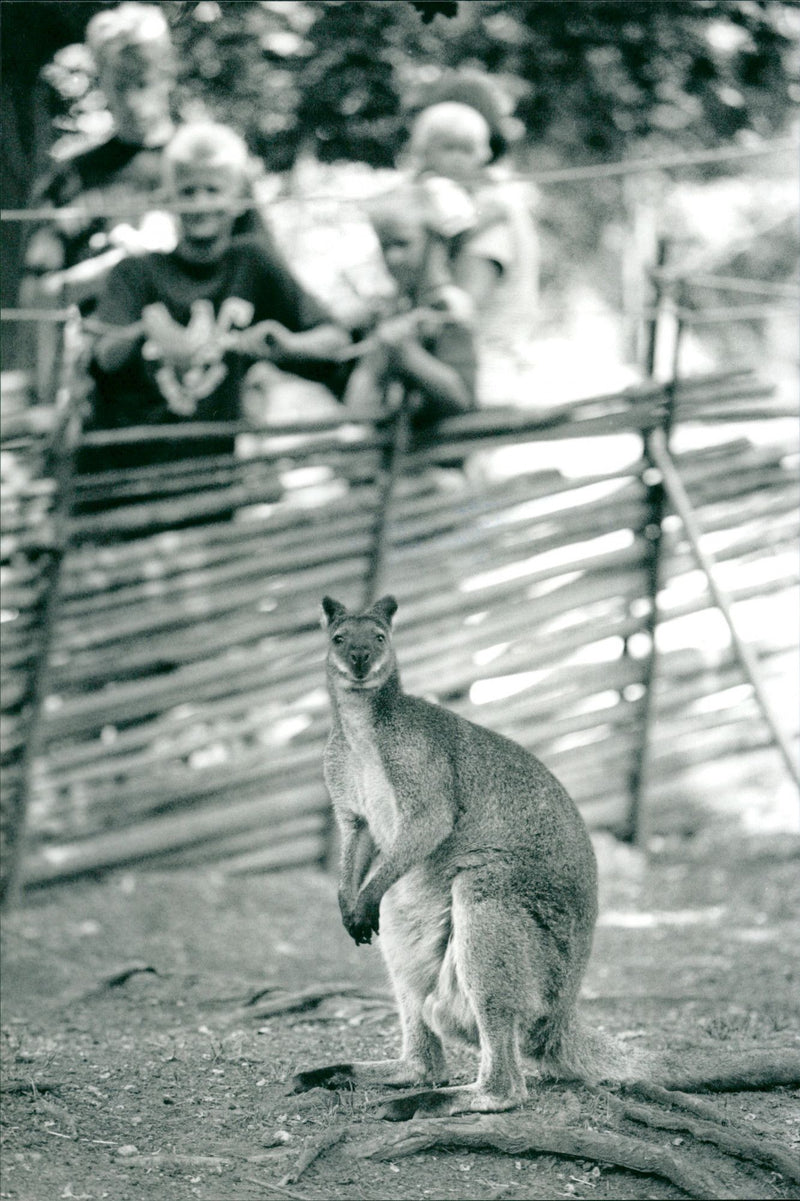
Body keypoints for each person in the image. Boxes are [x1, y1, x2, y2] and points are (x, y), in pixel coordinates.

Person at [84, 121, 349, 471]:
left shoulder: (253, 262)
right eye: (188, 191)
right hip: (126, 469)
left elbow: (337, 340)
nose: (200, 203)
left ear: (239, 199)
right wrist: (144, 332)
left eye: (213, 190)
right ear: (167, 199)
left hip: (210, 472)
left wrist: (287, 344)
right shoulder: (134, 272)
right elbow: (104, 357)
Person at [405, 74, 540, 407]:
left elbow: (461, 309)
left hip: (482, 378)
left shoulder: (495, 209)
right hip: (463, 372)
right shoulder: (469, 205)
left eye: (455, 145)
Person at [343, 185, 477, 448]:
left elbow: (462, 399)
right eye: (385, 247)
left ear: (435, 241)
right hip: (401, 454)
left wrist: (405, 353)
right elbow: (356, 407)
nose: (392, 257)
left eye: (403, 243)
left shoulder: (449, 307)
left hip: (445, 458)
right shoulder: (394, 310)